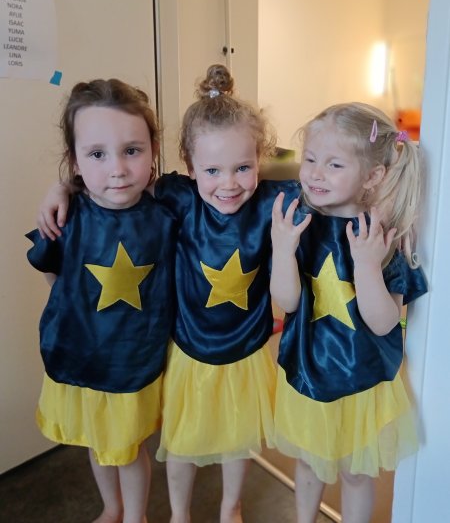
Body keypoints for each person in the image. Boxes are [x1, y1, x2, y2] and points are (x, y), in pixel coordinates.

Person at [36, 64, 306, 523]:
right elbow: (58, 267)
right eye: (213, 169)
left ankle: (224, 506)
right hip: (162, 350)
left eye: (243, 167)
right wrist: (62, 185)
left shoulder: (202, 203)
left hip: (225, 349)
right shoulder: (168, 199)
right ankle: (138, 511)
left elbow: (314, 184)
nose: (228, 182)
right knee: (141, 442)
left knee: (230, 435)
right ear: (188, 164)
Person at [26, 79, 177, 523]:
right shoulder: (66, 216)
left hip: (133, 362)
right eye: (97, 154)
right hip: (81, 357)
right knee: (98, 442)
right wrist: (62, 189)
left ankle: (135, 516)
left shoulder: (167, 215)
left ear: (153, 151)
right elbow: (52, 272)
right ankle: (112, 508)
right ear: (74, 161)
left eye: (132, 150)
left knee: (127, 449)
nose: (118, 169)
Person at [270, 102, 427, 523]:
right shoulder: (299, 222)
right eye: (310, 159)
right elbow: (287, 302)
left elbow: (385, 321)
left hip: (361, 379)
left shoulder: (383, 236)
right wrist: (283, 250)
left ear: (372, 176)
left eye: (334, 164)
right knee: (309, 461)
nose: (315, 174)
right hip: (309, 369)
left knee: (357, 473)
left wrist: (368, 266)